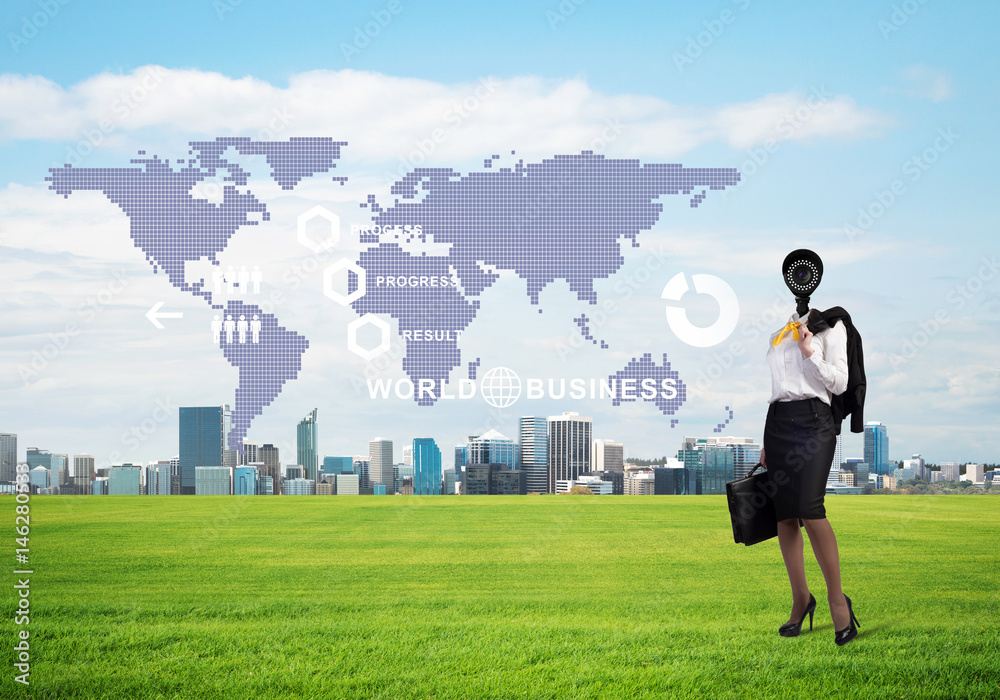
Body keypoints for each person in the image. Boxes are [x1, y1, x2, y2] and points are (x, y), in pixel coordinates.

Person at [760, 307, 861, 646]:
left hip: (814, 421)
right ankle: (801, 600)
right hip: (777, 423)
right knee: (785, 516)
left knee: (810, 509)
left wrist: (810, 353)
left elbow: (840, 382)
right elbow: (779, 388)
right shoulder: (779, 332)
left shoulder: (830, 328)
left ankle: (837, 601)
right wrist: (765, 444)